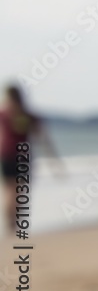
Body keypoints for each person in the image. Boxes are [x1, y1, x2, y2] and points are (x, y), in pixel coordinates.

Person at [1, 83, 60, 231]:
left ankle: (10, 224)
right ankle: (14, 223)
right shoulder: (28, 115)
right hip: (22, 156)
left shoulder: (4, 113)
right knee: (19, 190)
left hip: (7, 154)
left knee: (10, 190)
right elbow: (43, 138)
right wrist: (53, 159)